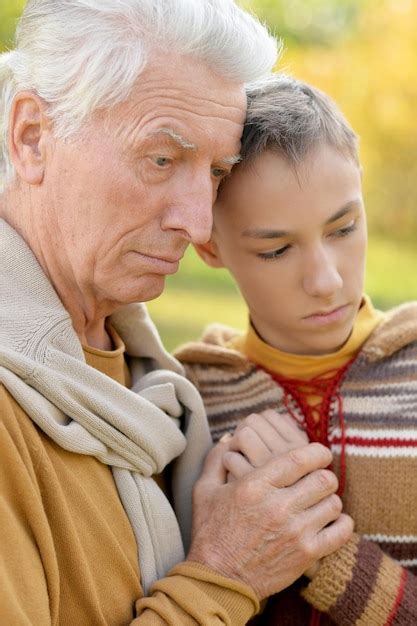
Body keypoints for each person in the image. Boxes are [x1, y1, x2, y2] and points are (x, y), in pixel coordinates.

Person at [0, 2, 354, 624]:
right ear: (32, 137)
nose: (195, 222)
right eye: (162, 159)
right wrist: (225, 577)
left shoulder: (157, 374)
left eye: (216, 172)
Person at [175, 74, 417, 625]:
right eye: (277, 249)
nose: (326, 280)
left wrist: (319, 544)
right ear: (209, 244)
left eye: (344, 227)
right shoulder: (187, 397)